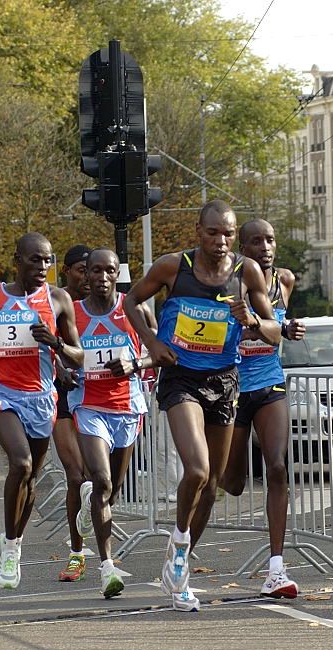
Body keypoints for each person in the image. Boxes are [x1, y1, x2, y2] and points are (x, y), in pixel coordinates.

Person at [124, 200, 281, 611]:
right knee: (198, 469)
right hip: (181, 379)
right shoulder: (172, 267)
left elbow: (274, 333)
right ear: (199, 231)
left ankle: (180, 568)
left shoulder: (246, 271)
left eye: (228, 233)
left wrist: (251, 321)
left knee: (212, 487)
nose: (221, 241)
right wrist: (153, 342)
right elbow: (131, 301)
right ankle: (178, 545)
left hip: (224, 382)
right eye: (213, 233)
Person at [0, 232, 83, 590]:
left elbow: (77, 354)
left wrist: (56, 343)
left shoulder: (58, 299)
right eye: (35, 260)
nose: (42, 267)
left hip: (41, 397)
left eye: (48, 261)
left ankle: (15, 543)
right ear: (16, 260)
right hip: (2, 392)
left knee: (31, 477)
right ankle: (8, 547)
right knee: (19, 463)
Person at [209, 218, 305, 598]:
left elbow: (274, 328)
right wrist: (250, 328)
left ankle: (277, 569)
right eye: (256, 242)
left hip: (269, 384)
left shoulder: (285, 281)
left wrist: (278, 326)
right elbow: (228, 333)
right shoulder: (227, 284)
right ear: (242, 251)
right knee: (231, 483)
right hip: (232, 389)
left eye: (270, 240)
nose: (265, 247)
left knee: (278, 466)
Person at [67, 248, 156, 598]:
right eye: (96, 271)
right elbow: (54, 354)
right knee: (101, 480)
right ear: (85, 275)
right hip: (89, 405)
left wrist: (135, 364)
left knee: (112, 491)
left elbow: (160, 352)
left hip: (128, 407)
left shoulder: (133, 310)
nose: (103, 277)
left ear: (117, 274)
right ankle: (107, 568)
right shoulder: (72, 314)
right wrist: (63, 372)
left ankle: (94, 503)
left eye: (110, 271)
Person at [54, 243, 93, 584]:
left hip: (100, 398)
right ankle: (77, 555)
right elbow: (39, 342)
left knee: (99, 481)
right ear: (66, 270)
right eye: (81, 270)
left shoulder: (104, 305)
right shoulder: (53, 302)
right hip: (63, 395)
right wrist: (58, 365)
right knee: (76, 477)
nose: (87, 277)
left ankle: (105, 553)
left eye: (91, 270)